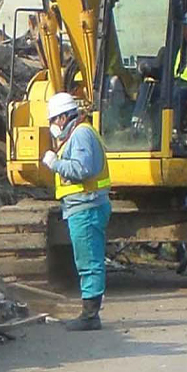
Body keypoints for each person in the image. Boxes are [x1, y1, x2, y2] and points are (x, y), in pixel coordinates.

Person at [40, 92, 113, 331]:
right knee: (87, 259)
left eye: (53, 120)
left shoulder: (80, 134)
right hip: (82, 206)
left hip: (86, 206)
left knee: (89, 261)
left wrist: (55, 163)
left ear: (62, 118)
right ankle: (89, 312)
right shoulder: (78, 133)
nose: (53, 126)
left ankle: (90, 316)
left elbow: (83, 169)